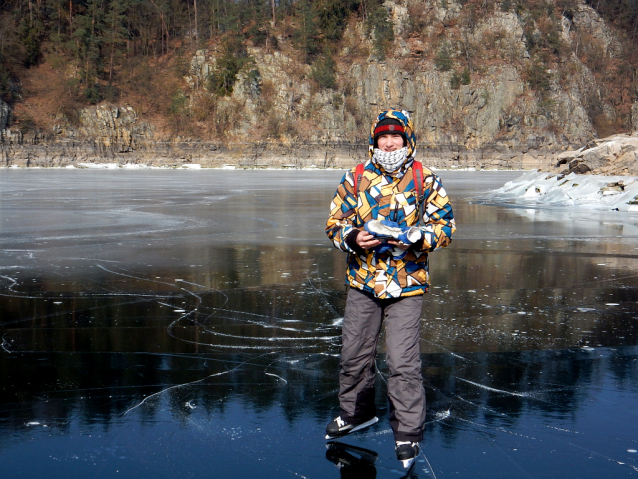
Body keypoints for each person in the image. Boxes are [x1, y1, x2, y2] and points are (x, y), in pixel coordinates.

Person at [325, 109, 455, 466]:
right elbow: (335, 224)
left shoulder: (424, 178)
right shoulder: (355, 176)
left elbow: (445, 227)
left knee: (402, 362)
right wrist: (352, 236)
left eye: (395, 136)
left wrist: (419, 237)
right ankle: (355, 414)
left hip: (407, 284)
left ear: (407, 139)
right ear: (374, 140)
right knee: (354, 355)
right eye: (382, 136)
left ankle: (408, 433)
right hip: (363, 282)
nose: (389, 141)